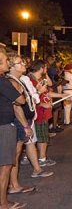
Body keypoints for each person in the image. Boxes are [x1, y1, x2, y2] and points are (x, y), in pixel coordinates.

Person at [0, 47, 27, 209]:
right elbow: (21, 100)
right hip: (4, 126)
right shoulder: (3, 82)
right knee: (5, 166)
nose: (6, 63)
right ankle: (3, 202)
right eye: (3, 61)